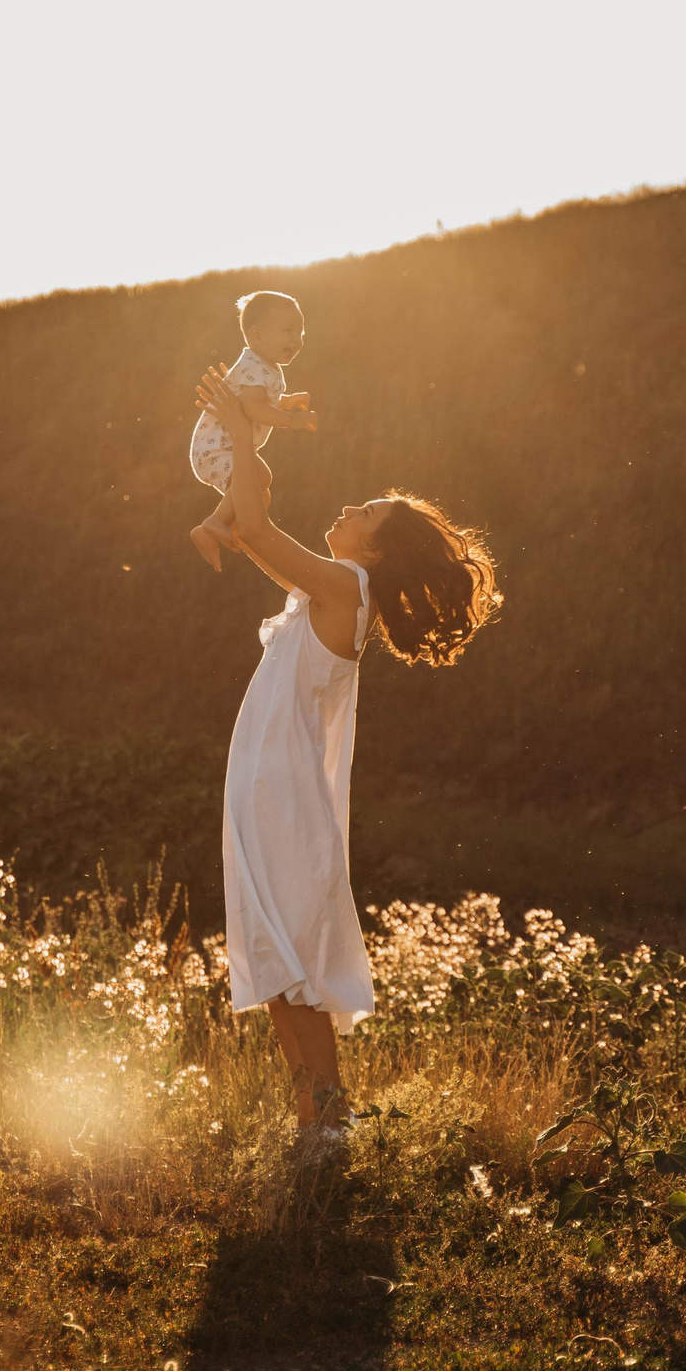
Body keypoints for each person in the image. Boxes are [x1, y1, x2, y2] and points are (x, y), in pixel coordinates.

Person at [192, 362, 502, 1138]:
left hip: (283, 791)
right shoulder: (330, 588)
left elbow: (257, 531)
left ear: (377, 549)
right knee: (275, 963)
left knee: (288, 958)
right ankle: (315, 1124)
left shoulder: (346, 592)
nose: (346, 507)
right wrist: (247, 439)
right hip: (265, 785)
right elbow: (245, 524)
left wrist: (239, 430)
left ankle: (329, 1125)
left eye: (364, 509)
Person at [188, 291, 319, 572]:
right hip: (216, 448)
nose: (296, 339)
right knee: (258, 477)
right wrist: (291, 420)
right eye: (288, 331)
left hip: (226, 447)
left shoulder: (264, 367)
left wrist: (287, 400)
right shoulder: (254, 367)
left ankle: (227, 527)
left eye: (301, 332)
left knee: (261, 492)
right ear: (257, 336)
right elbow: (254, 409)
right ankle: (214, 523)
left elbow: (261, 400)